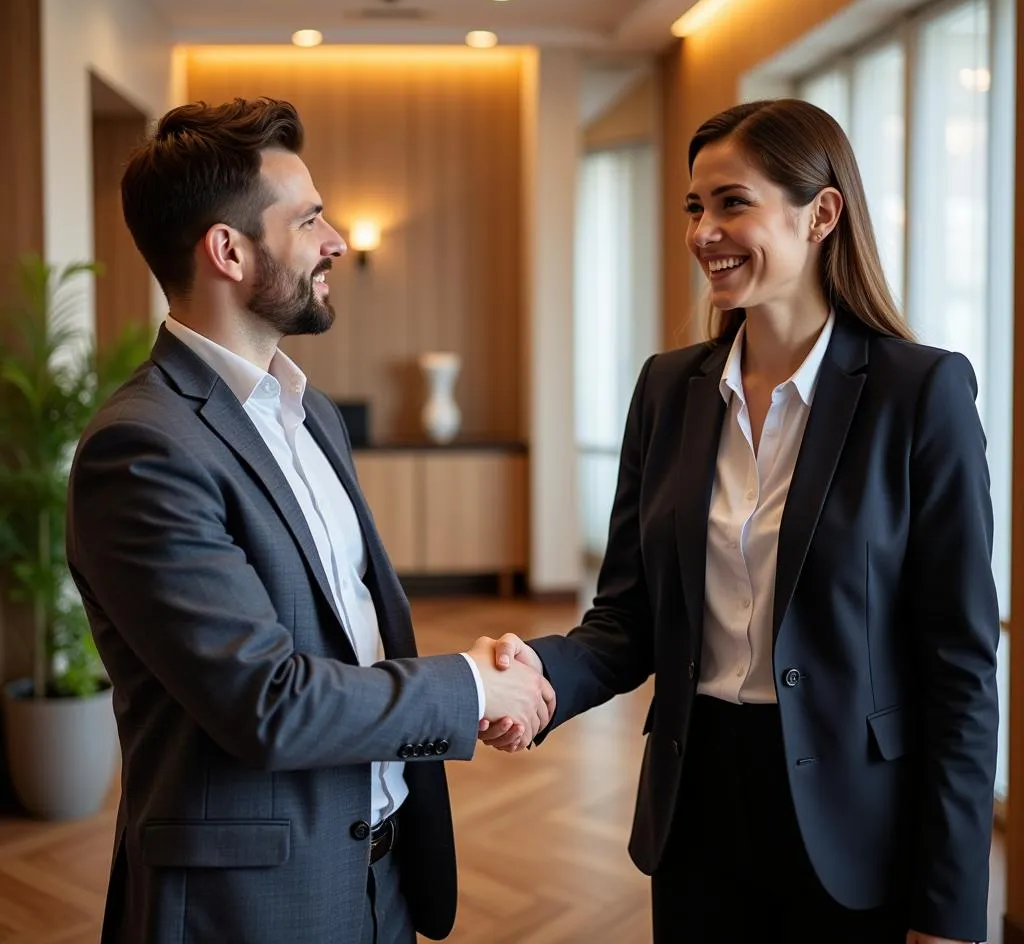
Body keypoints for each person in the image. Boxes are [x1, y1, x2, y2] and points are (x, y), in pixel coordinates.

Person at [478, 99, 999, 944]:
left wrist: (949, 909)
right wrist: (533, 681)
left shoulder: (921, 393)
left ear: (821, 212)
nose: (704, 231)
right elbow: (627, 620)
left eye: (732, 202)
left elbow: (961, 669)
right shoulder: (667, 389)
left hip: (859, 825)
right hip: (698, 803)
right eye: (694, 207)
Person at [65, 96, 553, 944]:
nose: (336, 242)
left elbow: (352, 634)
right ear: (227, 249)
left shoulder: (309, 411)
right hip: (252, 904)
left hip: (383, 869)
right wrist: (470, 684)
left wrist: (475, 681)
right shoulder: (141, 448)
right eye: (312, 220)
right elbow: (267, 700)